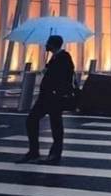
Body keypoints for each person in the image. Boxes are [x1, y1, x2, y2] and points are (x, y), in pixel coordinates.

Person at [18, 34, 75, 164]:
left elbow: (63, 77)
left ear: (53, 44)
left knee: (55, 126)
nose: (45, 45)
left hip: (54, 97)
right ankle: (35, 152)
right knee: (32, 121)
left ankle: (53, 154)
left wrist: (50, 75)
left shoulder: (64, 57)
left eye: (48, 43)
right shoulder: (55, 57)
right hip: (47, 97)